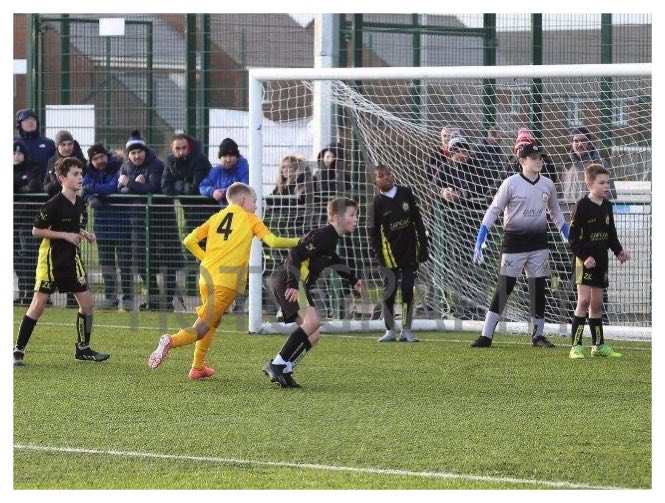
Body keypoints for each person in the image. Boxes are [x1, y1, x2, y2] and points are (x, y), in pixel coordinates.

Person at [147, 182, 299, 379]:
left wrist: (205, 258)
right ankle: (171, 340)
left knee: (213, 320)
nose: (256, 206)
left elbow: (188, 240)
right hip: (226, 282)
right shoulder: (251, 219)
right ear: (243, 201)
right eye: (254, 201)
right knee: (202, 328)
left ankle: (197, 368)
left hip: (206, 277)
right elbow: (273, 241)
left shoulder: (217, 217)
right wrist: (300, 242)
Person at [13, 157, 110, 366]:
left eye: (81, 173)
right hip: (51, 261)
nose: (80, 177)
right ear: (62, 178)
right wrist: (65, 236)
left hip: (71, 259)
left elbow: (74, 227)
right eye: (75, 174)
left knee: (87, 303)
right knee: (38, 306)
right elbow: (36, 230)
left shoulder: (80, 202)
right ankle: (18, 351)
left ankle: (83, 349)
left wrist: (85, 234)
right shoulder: (53, 204)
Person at [470, 140, 568, 348]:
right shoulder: (510, 183)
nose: (539, 161)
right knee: (504, 287)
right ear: (522, 161)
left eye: (540, 157)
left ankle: (538, 336)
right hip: (514, 244)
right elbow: (494, 210)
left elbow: (555, 211)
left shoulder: (548, 184)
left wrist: (565, 231)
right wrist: (481, 236)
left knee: (538, 288)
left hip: (539, 245)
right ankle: (486, 336)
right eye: (534, 158)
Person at [263, 197, 362, 388]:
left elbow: (334, 260)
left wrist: (353, 279)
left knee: (314, 334)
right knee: (313, 322)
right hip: (290, 281)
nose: (356, 219)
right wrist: (293, 283)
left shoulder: (331, 239)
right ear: (336, 217)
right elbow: (295, 252)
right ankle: (276, 364)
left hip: (296, 283)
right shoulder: (324, 235)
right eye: (352, 215)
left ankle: (286, 368)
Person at [568, 164, 629, 359]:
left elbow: (611, 234)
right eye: (601, 183)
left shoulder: (608, 206)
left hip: (601, 260)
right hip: (583, 261)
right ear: (589, 184)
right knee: (584, 301)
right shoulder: (581, 206)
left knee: (596, 304)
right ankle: (576, 346)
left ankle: (598, 346)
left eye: (607, 183)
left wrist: (619, 251)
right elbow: (572, 238)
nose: (606, 186)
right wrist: (585, 257)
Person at [118, 130, 180, 310]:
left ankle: (167, 301)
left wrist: (130, 183)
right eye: (133, 153)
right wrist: (135, 184)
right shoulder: (125, 167)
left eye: (139, 152)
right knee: (141, 261)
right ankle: (153, 298)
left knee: (168, 261)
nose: (136, 156)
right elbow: (119, 189)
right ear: (128, 154)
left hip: (162, 221)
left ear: (145, 151)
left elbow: (152, 187)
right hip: (138, 222)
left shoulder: (156, 165)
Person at [371, 165, 429, 343]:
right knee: (389, 292)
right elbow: (373, 233)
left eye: (388, 174)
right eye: (381, 176)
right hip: (388, 254)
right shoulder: (376, 203)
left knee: (407, 290)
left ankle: (406, 330)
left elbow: (417, 219)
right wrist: (378, 256)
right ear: (375, 182)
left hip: (410, 250)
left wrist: (423, 244)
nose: (386, 177)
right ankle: (389, 330)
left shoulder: (405, 193)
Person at [162, 132, 213, 299]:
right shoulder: (170, 161)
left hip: (208, 214)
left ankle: (212, 292)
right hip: (189, 215)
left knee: (209, 256)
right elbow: (166, 187)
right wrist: (182, 185)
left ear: (189, 147)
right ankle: (193, 289)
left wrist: (177, 185)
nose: (181, 151)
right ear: (172, 149)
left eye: (184, 148)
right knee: (191, 250)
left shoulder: (200, 160)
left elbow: (196, 188)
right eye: (177, 149)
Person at [82, 143, 131, 310]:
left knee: (125, 263)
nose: (99, 160)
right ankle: (111, 298)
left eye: (101, 156)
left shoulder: (119, 166)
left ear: (106, 155)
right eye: (95, 158)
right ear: (91, 161)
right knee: (106, 264)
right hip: (102, 225)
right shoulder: (88, 172)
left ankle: (128, 298)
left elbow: (114, 187)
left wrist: (91, 189)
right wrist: (89, 197)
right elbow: (82, 190)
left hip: (122, 223)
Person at [14, 139, 43, 306]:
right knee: (16, 257)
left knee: (28, 255)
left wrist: (19, 188)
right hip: (12, 220)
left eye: (20, 153)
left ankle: (31, 293)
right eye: (14, 153)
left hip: (27, 219)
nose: (17, 156)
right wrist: (21, 184)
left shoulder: (32, 168)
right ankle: (22, 291)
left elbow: (34, 187)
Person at [199, 138, 249, 207]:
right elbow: (202, 186)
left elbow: (244, 186)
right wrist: (212, 191)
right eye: (225, 156)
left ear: (237, 157)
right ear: (220, 157)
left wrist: (223, 192)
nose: (228, 159)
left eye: (231, 156)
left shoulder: (243, 169)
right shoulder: (216, 171)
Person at [43, 130, 88, 198]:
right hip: (57, 199)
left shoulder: (81, 161)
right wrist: (55, 183)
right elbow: (46, 186)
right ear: (57, 146)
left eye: (70, 144)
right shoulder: (52, 161)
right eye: (63, 144)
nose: (67, 148)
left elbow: (83, 183)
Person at [14, 108, 55, 177]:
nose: (30, 122)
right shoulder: (13, 143)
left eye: (33, 119)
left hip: (43, 181)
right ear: (19, 124)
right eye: (26, 120)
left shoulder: (49, 144)